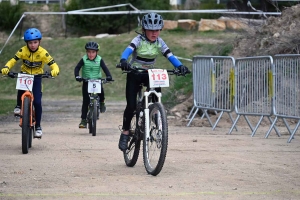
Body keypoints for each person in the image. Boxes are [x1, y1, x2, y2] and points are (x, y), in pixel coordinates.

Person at [117, 12, 189, 151]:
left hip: (150, 74)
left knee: (156, 99)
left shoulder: (160, 42)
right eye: (151, 30)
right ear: (144, 29)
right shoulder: (138, 40)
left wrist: (179, 66)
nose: (154, 33)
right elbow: (127, 51)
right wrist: (123, 61)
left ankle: (156, 117)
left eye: (157, 30)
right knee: (131, 106)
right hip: (135, 73)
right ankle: (125, 132)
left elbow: (170, 56)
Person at [0, 28, 60, 138]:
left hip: (37, 77)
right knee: (21, 88)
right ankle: (18, 105)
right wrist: (6, 67)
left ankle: (38, 126)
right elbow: (13, 60)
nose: (33, 45)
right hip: (25, 74)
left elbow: (53, 64)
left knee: (37, 102)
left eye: (35, 42)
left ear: (39, 42)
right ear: (27, 43)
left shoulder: (43, 53)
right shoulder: (22, 51)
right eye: (30, 43)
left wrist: (55, 70)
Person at [74, 41, 112, 128]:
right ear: (86, 52)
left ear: (97, 52)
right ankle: (83, 120)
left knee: (101, 93)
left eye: (93, 52)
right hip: (86, 81)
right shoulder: (84, 59)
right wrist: (77, 76)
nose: (91, 54)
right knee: (85, 101)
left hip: (97, 81)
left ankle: (102, 102)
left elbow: (105, 68)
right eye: (89, 52)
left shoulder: (99, 59)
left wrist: (109, 76)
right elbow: (77, 68)